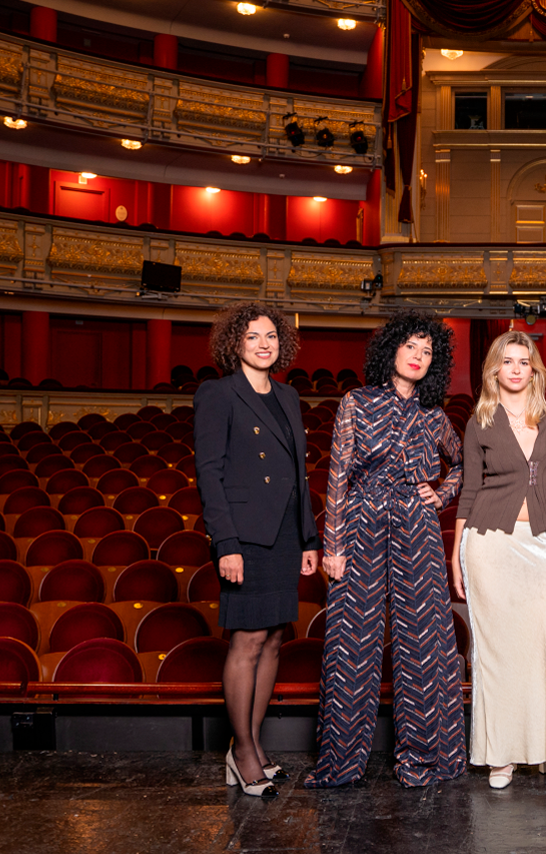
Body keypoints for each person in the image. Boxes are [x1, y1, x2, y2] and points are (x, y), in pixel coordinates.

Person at [305, 310, 466, 789]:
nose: (418, 357)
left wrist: (440, 494)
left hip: (417, 527)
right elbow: (337, 475)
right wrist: (331, 544)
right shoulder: (357, 402)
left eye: (427, 352)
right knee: (352, 643)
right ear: (391, 350)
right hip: (361, 523)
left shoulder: (434, 415)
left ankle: (425, 759)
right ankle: (341, 764)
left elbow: (461, 465)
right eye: (411, 347)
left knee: (424, 643)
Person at [194, 302, 321, 799]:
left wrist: (309, 538)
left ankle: (255, 743)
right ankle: (241, 749)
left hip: (284, 537)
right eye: (253, 337)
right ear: (235, 344)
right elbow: (210, 473)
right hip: (244, 536)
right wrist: (225, 543)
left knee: (272, 641)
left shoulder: (287, 395)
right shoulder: (217, 393)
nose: (264, 343)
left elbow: (298, 476)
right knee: (246, 641)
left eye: (271, 336)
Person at [451, 330, 546, 790]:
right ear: (495, 370)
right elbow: (468, 491)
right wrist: (456, 554)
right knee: (498, 655)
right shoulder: (480, 420)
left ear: (534, 369)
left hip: (536, 543)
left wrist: (539, 505)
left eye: (524, 361)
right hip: (487, 544)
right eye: (508, 361)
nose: (517, 369)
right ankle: (500, 755)